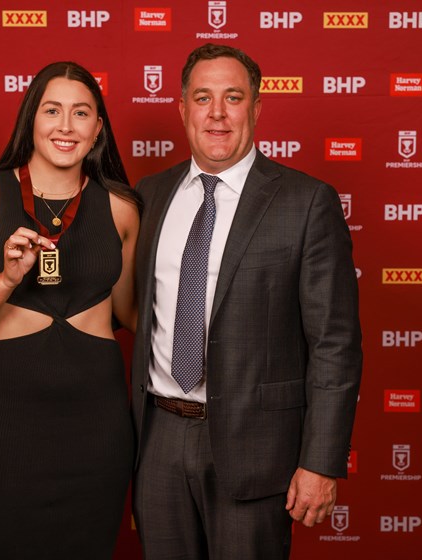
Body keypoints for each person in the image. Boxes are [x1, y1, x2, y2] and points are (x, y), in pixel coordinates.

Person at [131, 43, 362, 558]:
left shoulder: (306, 203)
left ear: (256, 109)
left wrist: (321, 462)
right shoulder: (149, 195)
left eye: (233, 98)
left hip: (258, 450)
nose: (217, 114)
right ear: (182, 107)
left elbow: (335, 345)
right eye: (203, 97)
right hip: (159, 442)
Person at [0, 61, 140, 559]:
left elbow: (136, 316)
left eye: (81, 113)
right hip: (14, 429)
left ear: (98, 130)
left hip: (100, 429)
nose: (65, 126)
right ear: (32, 119)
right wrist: (6, 279)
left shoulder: (121, 208)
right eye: (52, 110)